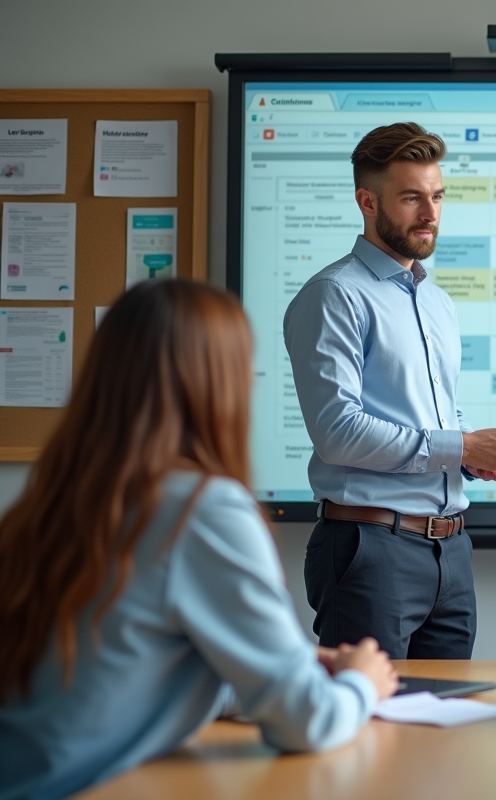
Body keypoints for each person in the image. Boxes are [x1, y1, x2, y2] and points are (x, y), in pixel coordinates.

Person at [0, 281, 398, 800]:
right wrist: (362, 683)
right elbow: (307, 723)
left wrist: (274, 664)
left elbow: (130, 668)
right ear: (217, 385)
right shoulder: (202, 509)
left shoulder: (57, 498)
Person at [285, 123, 496, 660]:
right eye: (412, 198)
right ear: (367, 202)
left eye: (437, 196)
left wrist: (471, 459)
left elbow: (438, 411)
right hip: (369, 550)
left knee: (444, 730)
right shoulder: (335, 296)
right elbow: (337, 432)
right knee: (369, 729)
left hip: (451, 551)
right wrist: (461, 447)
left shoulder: (438, 302)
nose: (430, 213)